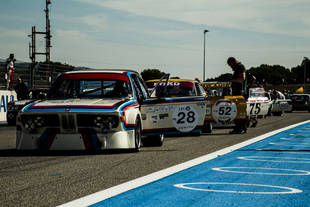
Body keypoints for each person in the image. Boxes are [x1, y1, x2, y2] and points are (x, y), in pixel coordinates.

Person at [227, 57, 247, 134]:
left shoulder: (240, 67)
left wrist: (232, 80)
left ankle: (239, 128)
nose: (230, 67)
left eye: (230, 65)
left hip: (239, 93)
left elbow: (242, 78)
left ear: (233, 62)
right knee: (240, 110)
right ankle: (242, 127)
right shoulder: (238, 67)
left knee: (238, 110)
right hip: (238, 92)